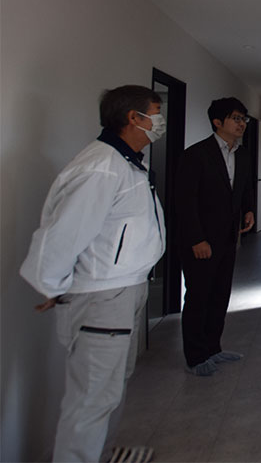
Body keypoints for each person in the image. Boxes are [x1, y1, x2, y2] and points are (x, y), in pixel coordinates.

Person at [20, 85, 166, 462]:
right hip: (103, 296)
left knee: (109, 390)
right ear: (133, 118)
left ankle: (101, 454)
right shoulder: (101, 167)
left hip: (124, 289)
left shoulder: (127, 162)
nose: (159, 121)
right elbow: (63, 233)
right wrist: (52, 285)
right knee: (91, 398)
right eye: (156, 113)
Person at [175, 97, 255, 376]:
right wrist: (197, 239)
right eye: (236, 118)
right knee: (199, 296)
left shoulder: (242, 154)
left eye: (244, 119)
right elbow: (185, 202)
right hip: (201, 240)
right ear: (217, 122)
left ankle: (213, 348)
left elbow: (243, 187)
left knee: (220, 294)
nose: (241, 124)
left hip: (228, 238)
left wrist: (249, 209)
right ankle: (195, 357)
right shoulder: (196, 155)